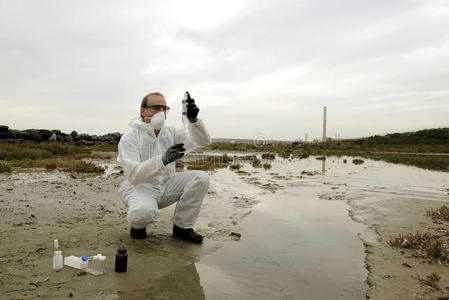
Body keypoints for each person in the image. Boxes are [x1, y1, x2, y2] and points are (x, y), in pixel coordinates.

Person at [117, 92, 211, 243]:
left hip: (166, 186)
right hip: (139, 188)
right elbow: (133, 175)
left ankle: (182, 227)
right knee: (142, 213)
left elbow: (202, 141)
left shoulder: (172, 133)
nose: (160, 112)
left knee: (200, 178)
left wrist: (194, 121)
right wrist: (162, 160)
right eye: (155, 108)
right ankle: (138, 226)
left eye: (164, 108)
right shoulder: (130, 138)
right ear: (143, 110)